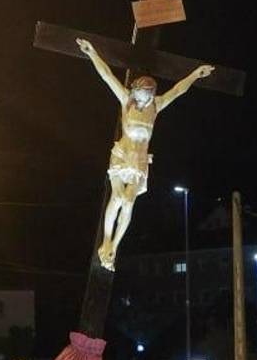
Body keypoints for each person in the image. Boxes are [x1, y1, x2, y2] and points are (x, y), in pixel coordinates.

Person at [74, 35, 214, 269]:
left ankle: (114, 248)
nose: (146, 97)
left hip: (139, 161)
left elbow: (178, 90)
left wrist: (195, 74)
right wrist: (92, 53)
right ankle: (106, 241)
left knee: (129, 202)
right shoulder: (126, 102)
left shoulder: (156, 106)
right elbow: (107, 76)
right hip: (122, 156)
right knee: (117, 197)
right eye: (144, 93)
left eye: (149, 94)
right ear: (137, 90)